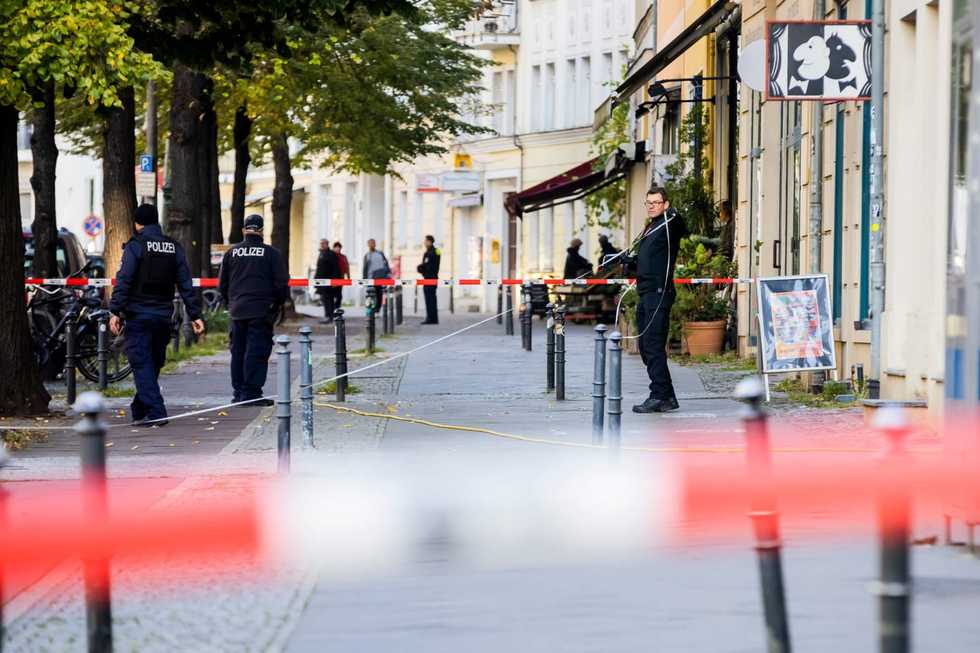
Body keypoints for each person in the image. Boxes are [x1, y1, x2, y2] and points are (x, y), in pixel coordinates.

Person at [109, 203, 204, 426]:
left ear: (137, 223)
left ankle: (157, 412)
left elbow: (125, 280)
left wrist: (115, 311)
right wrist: (196, 315)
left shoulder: (135, 246)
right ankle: (138, 410)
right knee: (153, 363)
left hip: (139, 315)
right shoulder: (173, 247)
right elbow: (185, 284)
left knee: (142, 364)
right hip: (163, 316)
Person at [218, 214, 289, 406]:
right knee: (256, 352)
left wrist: (230, 304)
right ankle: (251, 394)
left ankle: (239, 393)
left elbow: (222, 285)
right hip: (261, 310)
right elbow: (281, 284)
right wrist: (277, 305)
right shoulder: (271, 254)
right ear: (261, 231)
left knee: (238, 351)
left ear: (243, 230)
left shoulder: (231, 253)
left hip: (237, 310)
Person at [631, 186, 688, 414]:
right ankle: (667, 395)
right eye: (649, 202)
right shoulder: (651, 227)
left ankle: (658, 395)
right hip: (645, 293)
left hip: (659, 292)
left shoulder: (669, 224)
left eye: (656, 202)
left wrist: (672, 213)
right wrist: (630, 261)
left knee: (653, 346)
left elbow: (681, 226)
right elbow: (649, 259)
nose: (652, 206)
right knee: (645, 347)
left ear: (665, 204)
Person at [314, 239, 340, 324]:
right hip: (321, 281)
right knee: (324, 299)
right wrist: (316, 281)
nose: (321, 245)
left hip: (328, 281)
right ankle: (328, 315)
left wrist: (335, 281)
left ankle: (330, 316)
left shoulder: (331, 254)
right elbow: (319, 268)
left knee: (329, 299)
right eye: (320, 243)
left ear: (326, 244)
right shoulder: (321, 253)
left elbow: (335, 268)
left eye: (323, 244)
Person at [417, 235, 441, 324]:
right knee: (432, 299)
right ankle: (433, 319)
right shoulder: (435, 251)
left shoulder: (431, 252)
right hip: (432, 278)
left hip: (429, 278)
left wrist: (420, 268)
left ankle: (431, 319)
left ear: (430, 242)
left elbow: (429, 266)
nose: (424, 243)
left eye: (426, 241)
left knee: (430, 299)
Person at [362, 238, 390, 311]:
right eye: (370, 243)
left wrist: (387, 273)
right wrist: (364, 278)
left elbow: (386, 263)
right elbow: (365, 268)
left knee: (379, 293)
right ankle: (371, 309)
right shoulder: (367, 255)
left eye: (373, 243)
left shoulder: (380, 253)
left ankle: (377, 308)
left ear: (375, 244)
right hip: (370, 278)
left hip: (379, 277)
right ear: (368, 245)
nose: (372, 245)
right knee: (370, 294)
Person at [333, 241, 350, 311]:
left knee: (339, 294)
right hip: (332, 278)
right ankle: (332, 308)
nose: (337, 249)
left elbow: (346, 267)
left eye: (339, 247)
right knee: (332, 293)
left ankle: (337, 307)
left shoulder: (343, 257)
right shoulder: (331, 256)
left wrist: (348, 276)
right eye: (336, 247)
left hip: (340, 277)